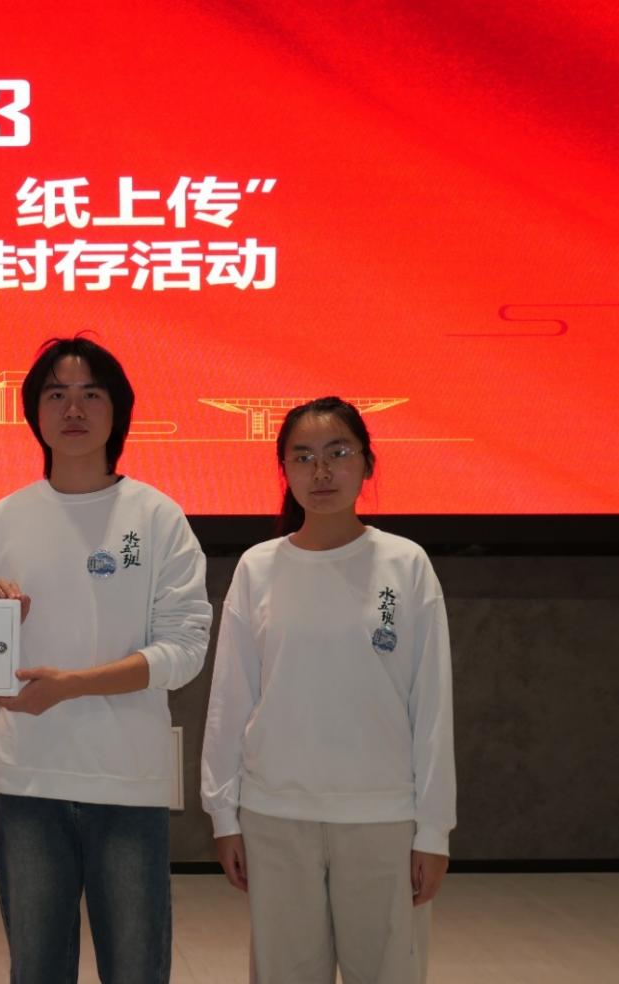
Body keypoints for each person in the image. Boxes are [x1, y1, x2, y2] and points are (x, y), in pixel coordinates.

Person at [0, 336, 212, 983]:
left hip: (126, 781)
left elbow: (184, 649)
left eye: (90, 394)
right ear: (34, 412)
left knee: (135, 968)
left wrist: (74, 685)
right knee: (37, 969)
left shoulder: (156, 517)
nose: (72, 409)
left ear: (116, 409)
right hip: (28, 781)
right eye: (56, 394)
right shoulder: (2, 520)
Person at [200, 396, 456, 984]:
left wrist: (433, 829)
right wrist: (224, 816)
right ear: (285, 471)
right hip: (274, 814)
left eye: (338, 453)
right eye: (303, 457)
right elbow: (230, 699)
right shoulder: (258, 567)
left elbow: (432, 705)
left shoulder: (405, 564)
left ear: (367, 463)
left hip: (382, 817)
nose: (321, 472)